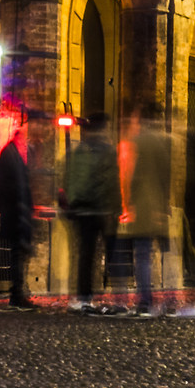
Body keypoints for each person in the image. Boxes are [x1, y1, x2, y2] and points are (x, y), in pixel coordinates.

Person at [59, 114, 121, 313]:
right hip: (102, 209)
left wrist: (71, 205)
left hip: (82, 211)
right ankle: (119, 296)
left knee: (86, 255)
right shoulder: (108, 151)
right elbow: (112, 181)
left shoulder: (78, 152)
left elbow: (68, 179)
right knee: (113, 253)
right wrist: (116, 207)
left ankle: (84, 297)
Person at [126, 102, 175, 316]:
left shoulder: (138, 142)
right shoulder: (164, 142)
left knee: (143, 255)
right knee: (166, 256)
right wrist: (164, 205)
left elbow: (134, 176)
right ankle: (171, 300)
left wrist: (130, 203)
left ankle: (145, 301)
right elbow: (167, 176)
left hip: (145, 207)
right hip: (160, 206)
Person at [0, 128, 36, 310]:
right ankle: (17, 295)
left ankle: (18, 293)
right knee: (17, 254)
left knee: (18, 253)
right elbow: (15, 186)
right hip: (16, 213)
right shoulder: (11, 155)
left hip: (16, 213)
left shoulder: (12, 154)